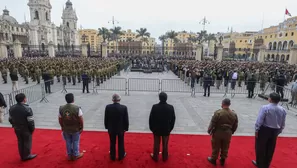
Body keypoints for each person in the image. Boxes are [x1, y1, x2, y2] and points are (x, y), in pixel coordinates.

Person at [252, 93, 286, 168]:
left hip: (265, 129)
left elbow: (260, 120)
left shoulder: (265, 108)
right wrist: (279, 131)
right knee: (270, 148)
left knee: (260, 147)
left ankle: (260, 163)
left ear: (270, 99)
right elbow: (283, 123)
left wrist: (257, 129)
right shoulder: (282, 109)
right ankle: (267, 164)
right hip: (275, 130)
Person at [207, 98, 238, 166]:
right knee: (225, 146)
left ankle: (214, 159)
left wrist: (209, 130)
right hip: (228, 132)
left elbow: (213, 123)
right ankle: (223, 160)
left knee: (216, 145)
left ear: (222, 103)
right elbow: (235, 125)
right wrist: (231, 131)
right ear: (229, 104)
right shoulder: (233, 114)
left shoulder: (218, 113)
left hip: (218, 131)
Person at [8, 93, 37, 161]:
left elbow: (10, 119)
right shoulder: (27, 108)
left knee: (20, 141)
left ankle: (22, 155)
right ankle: (27, 155)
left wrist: (14, 124)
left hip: (17, 127)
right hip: (25, 128)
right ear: (24, 99)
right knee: (27, 141)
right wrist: (32, 129)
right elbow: (30, 121)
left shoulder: (12, 108)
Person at [149, 92, 176, 162]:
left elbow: (151, 119)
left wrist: (152, 128)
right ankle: (165, 156)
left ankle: (155, 156)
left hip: (156, 129)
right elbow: (173, 119)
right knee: (165, 144)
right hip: (166, 129)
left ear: (159, 98)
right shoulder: (170, 107)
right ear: (166, 98)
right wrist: (170, 128)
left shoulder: (155, 107)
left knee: (156, 144)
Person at [59, 93, 84, 161]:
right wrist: (82, 127)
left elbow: (60, 119)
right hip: (75, 128)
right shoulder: (77, 108)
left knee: (68, 141)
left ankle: (69, 155)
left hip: (66, 128)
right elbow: (80, 119)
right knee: (75, 141)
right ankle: (76, 154)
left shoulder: (61, 108)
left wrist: (62, 126)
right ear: (73, 99)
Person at [104, 94, 129, 161]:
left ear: (112, 100)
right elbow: (126, 119)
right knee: (121, 142)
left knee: (112, 142)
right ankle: (121, 155)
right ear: (119, 99)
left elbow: (106, 118)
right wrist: (126, 128)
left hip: (111, 128)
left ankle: (112, 155)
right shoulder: (124, 108)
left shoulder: (108, 107)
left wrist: (107, 126)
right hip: (120, 128)